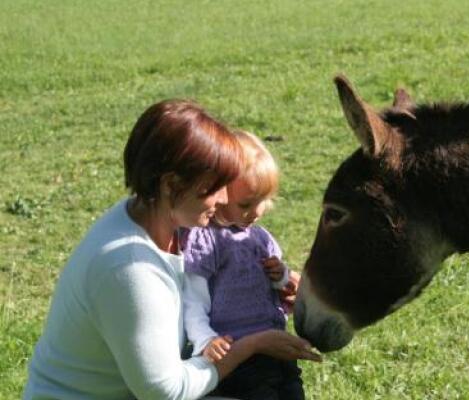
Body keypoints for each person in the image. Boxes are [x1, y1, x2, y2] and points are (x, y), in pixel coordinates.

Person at [23, 100, 320, 400]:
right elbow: (165, 391)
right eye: (215, 186)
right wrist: (252, 345)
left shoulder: (167, 221)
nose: (223, 198)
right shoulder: (129, 268)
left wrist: (270, 285)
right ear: (171, 185)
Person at [182, 130, 305, 400]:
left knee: (292, 391)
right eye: (247, 203)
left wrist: (281, 276)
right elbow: (193, 299)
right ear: (220, 195)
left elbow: (275, 287)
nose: (257, 211)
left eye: (264, 200)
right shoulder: (206, 240)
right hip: (236, 353)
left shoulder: (259, 237)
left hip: (276, 346)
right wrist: (204, 339)